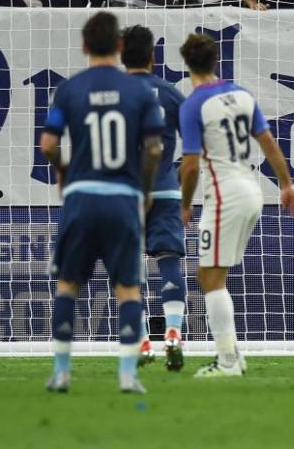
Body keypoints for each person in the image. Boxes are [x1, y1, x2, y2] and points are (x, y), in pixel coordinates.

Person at [40, 11, 164, 394]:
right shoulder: (140, 92)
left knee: (67, 285)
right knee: (127, 288)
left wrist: (64, 170)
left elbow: (48, 144)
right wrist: (144, 190)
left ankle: (62, 372)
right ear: (120, 46)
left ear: (84, 46)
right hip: (123, 198)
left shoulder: (69, 90)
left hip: (81, 196)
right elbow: (154, 148)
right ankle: (127, 375)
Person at [178, 33, 294, 377]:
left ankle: (227, 361)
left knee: (209, 276)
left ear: (186, 65)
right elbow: (268, 142)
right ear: (216, 60)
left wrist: (184, 205)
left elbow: (190, 166)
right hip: (251, 190)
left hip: (224, 196)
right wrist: (286, 184)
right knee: (213, 274)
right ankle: (232, 355)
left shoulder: (193, 105)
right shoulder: (242, 95)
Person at [120, 25, 190, 372]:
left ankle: (142, 339)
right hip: (165, 188)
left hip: (125, 192)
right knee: (169, 260)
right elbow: (193, 147)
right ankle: (173, 333)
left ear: (121, 54)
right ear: (152, 55)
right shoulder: (171, 93)